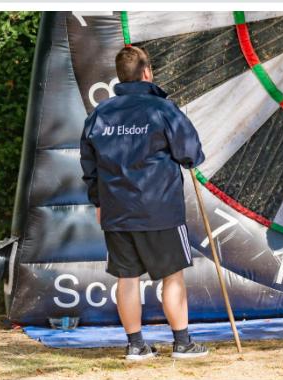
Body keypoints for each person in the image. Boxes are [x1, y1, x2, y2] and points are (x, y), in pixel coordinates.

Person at [80, 46, 208, 360]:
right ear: (147, 73)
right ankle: (182, 343)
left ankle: (136, 345)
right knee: (172, 276)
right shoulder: (163, 109)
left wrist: (98, 201)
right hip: (160, 209)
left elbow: (89, 165)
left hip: (117, 211)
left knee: (127, 278)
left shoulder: (100, 113)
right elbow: (191, 154)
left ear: (119, 76)